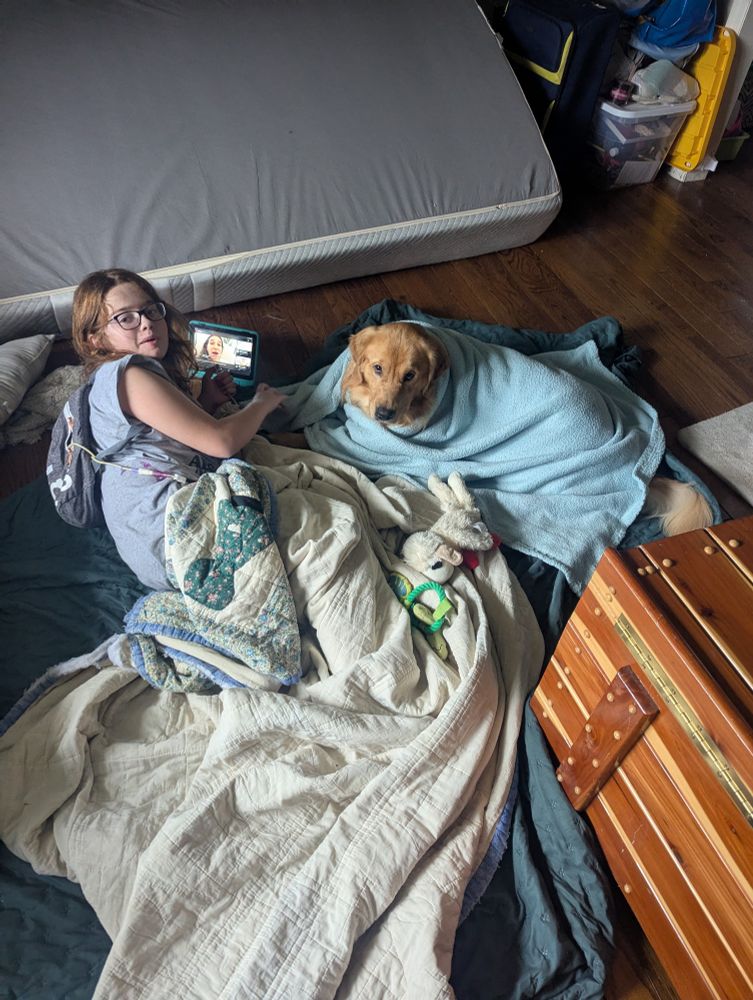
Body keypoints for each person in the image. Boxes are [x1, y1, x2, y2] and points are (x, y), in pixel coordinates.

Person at [71, 267, 286, 591]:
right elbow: (222, 442)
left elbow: (166, 439)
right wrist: (261, 403)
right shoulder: (129, 375)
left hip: (151, 554)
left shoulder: (111, 379)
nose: (146, 323)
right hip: (175, 537)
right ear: (96, 338)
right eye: (125, 318)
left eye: (149, 310)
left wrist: (207, 403)